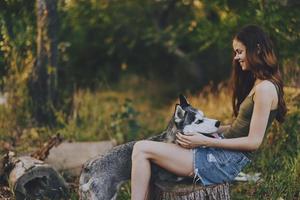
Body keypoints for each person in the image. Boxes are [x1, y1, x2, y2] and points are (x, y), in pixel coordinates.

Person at [130, 24, 287, 200]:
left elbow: (253, 142)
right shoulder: (258, 82)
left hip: (223, 162)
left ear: (257, 49)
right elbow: (239, 128)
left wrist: (204, 141)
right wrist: (209, 130)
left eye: (240, 52)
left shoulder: (265, 89)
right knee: (148, 152)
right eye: (235, 52)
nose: (236, 57)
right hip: (220, 155)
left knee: (141, 149)